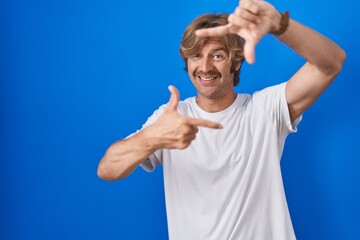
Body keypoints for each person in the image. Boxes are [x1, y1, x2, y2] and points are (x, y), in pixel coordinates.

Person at [97, 0, 346, 239]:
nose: (204, 67)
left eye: (217, 55)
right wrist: (152, 137)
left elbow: (331, 63)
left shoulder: (265, 110)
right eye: (196, 55)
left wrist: (279, 25)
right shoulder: (171, 118)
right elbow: (107, 169)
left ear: (236, 62)